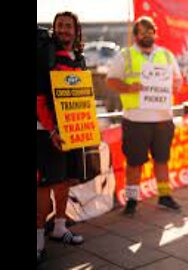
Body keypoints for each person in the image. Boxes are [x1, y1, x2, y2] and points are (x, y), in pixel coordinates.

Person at [107, 16, 183, 215]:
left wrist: (176, 85)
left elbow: (177, 79)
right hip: (135, 120)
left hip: (163, 119)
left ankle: (164, 196)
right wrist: (128, 87)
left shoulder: (166, 55)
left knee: (162, 160)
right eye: (142, 32)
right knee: (134, 162)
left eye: (150, 31)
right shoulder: (125, 56)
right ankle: (132, 199)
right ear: (135, 35)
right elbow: (111, 81)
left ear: (155, 33)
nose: (146, 35)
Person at [37, 11, 86, 264]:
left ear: (77, 31)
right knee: (44, 185)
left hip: (71, 131)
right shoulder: (46, 56)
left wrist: (85, 129)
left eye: (69, 26)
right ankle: (38, 242)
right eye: (60, 26)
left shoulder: (79, 58)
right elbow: (39, 98)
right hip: (47, 132)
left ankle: (58, 227)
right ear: (54, 29)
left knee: (64, 180)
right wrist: (52, 130)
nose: (65, 30)